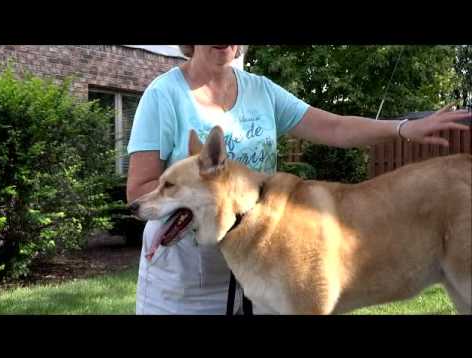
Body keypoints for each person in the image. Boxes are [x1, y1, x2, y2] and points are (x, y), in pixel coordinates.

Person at [126, 45, 471, 315]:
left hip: (257, 258)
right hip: (188, 278)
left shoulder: (260, 90)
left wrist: (403, 128)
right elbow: (140, 191)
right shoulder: (163, 95)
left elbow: (334, 127)